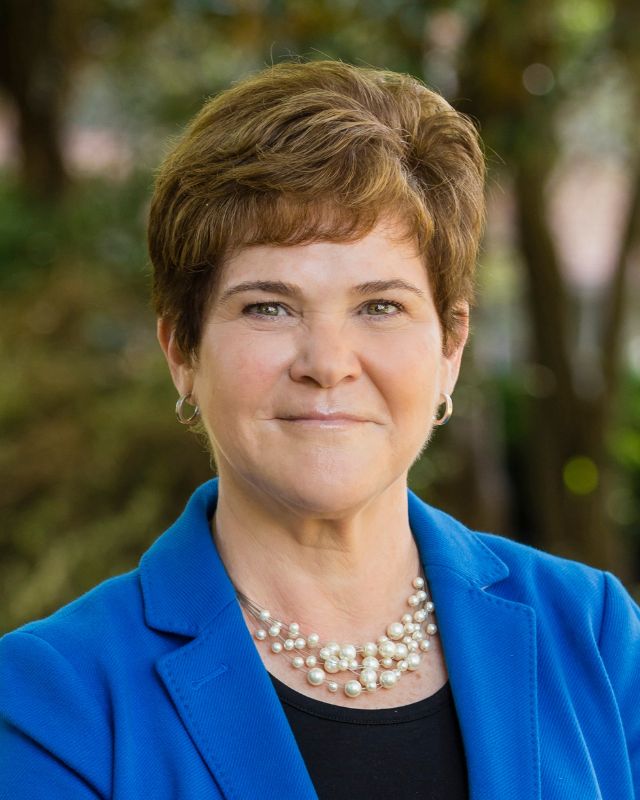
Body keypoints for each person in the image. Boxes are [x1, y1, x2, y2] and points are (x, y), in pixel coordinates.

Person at [1, 60, 638, 800]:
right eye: (269, 306)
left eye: (381, 306)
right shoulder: (53, 703)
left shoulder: (592, 636)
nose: (327, 364)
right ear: (182, 350)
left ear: (450, 348)